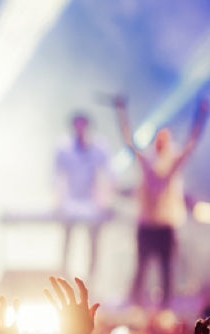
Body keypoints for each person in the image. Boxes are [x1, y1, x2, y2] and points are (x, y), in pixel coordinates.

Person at [114, 96, 209, 308]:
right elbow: (129, 142)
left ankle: (165, 308)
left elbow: (191, 142)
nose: (160, 143)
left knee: (167, 270)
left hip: (165, 225)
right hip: (147, 224)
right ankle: (135, 305)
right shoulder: (147, 162)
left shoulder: (173, 162)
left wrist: (201, 115)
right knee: (141, 269)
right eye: (158, 139)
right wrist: (121, 113)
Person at [54, 112, 114, 279]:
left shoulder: (99, 147)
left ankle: (91, 278)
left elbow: (109, 174)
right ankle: (63, 276)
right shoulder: (63, 147)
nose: (81, 130)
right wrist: (59, 200)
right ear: (73, 128)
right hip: (70, 201)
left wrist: (105, 199)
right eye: (77, 126)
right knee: (67, 240)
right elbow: (56, 176)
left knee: (93, 242)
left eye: (84, 126)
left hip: (92, 202)